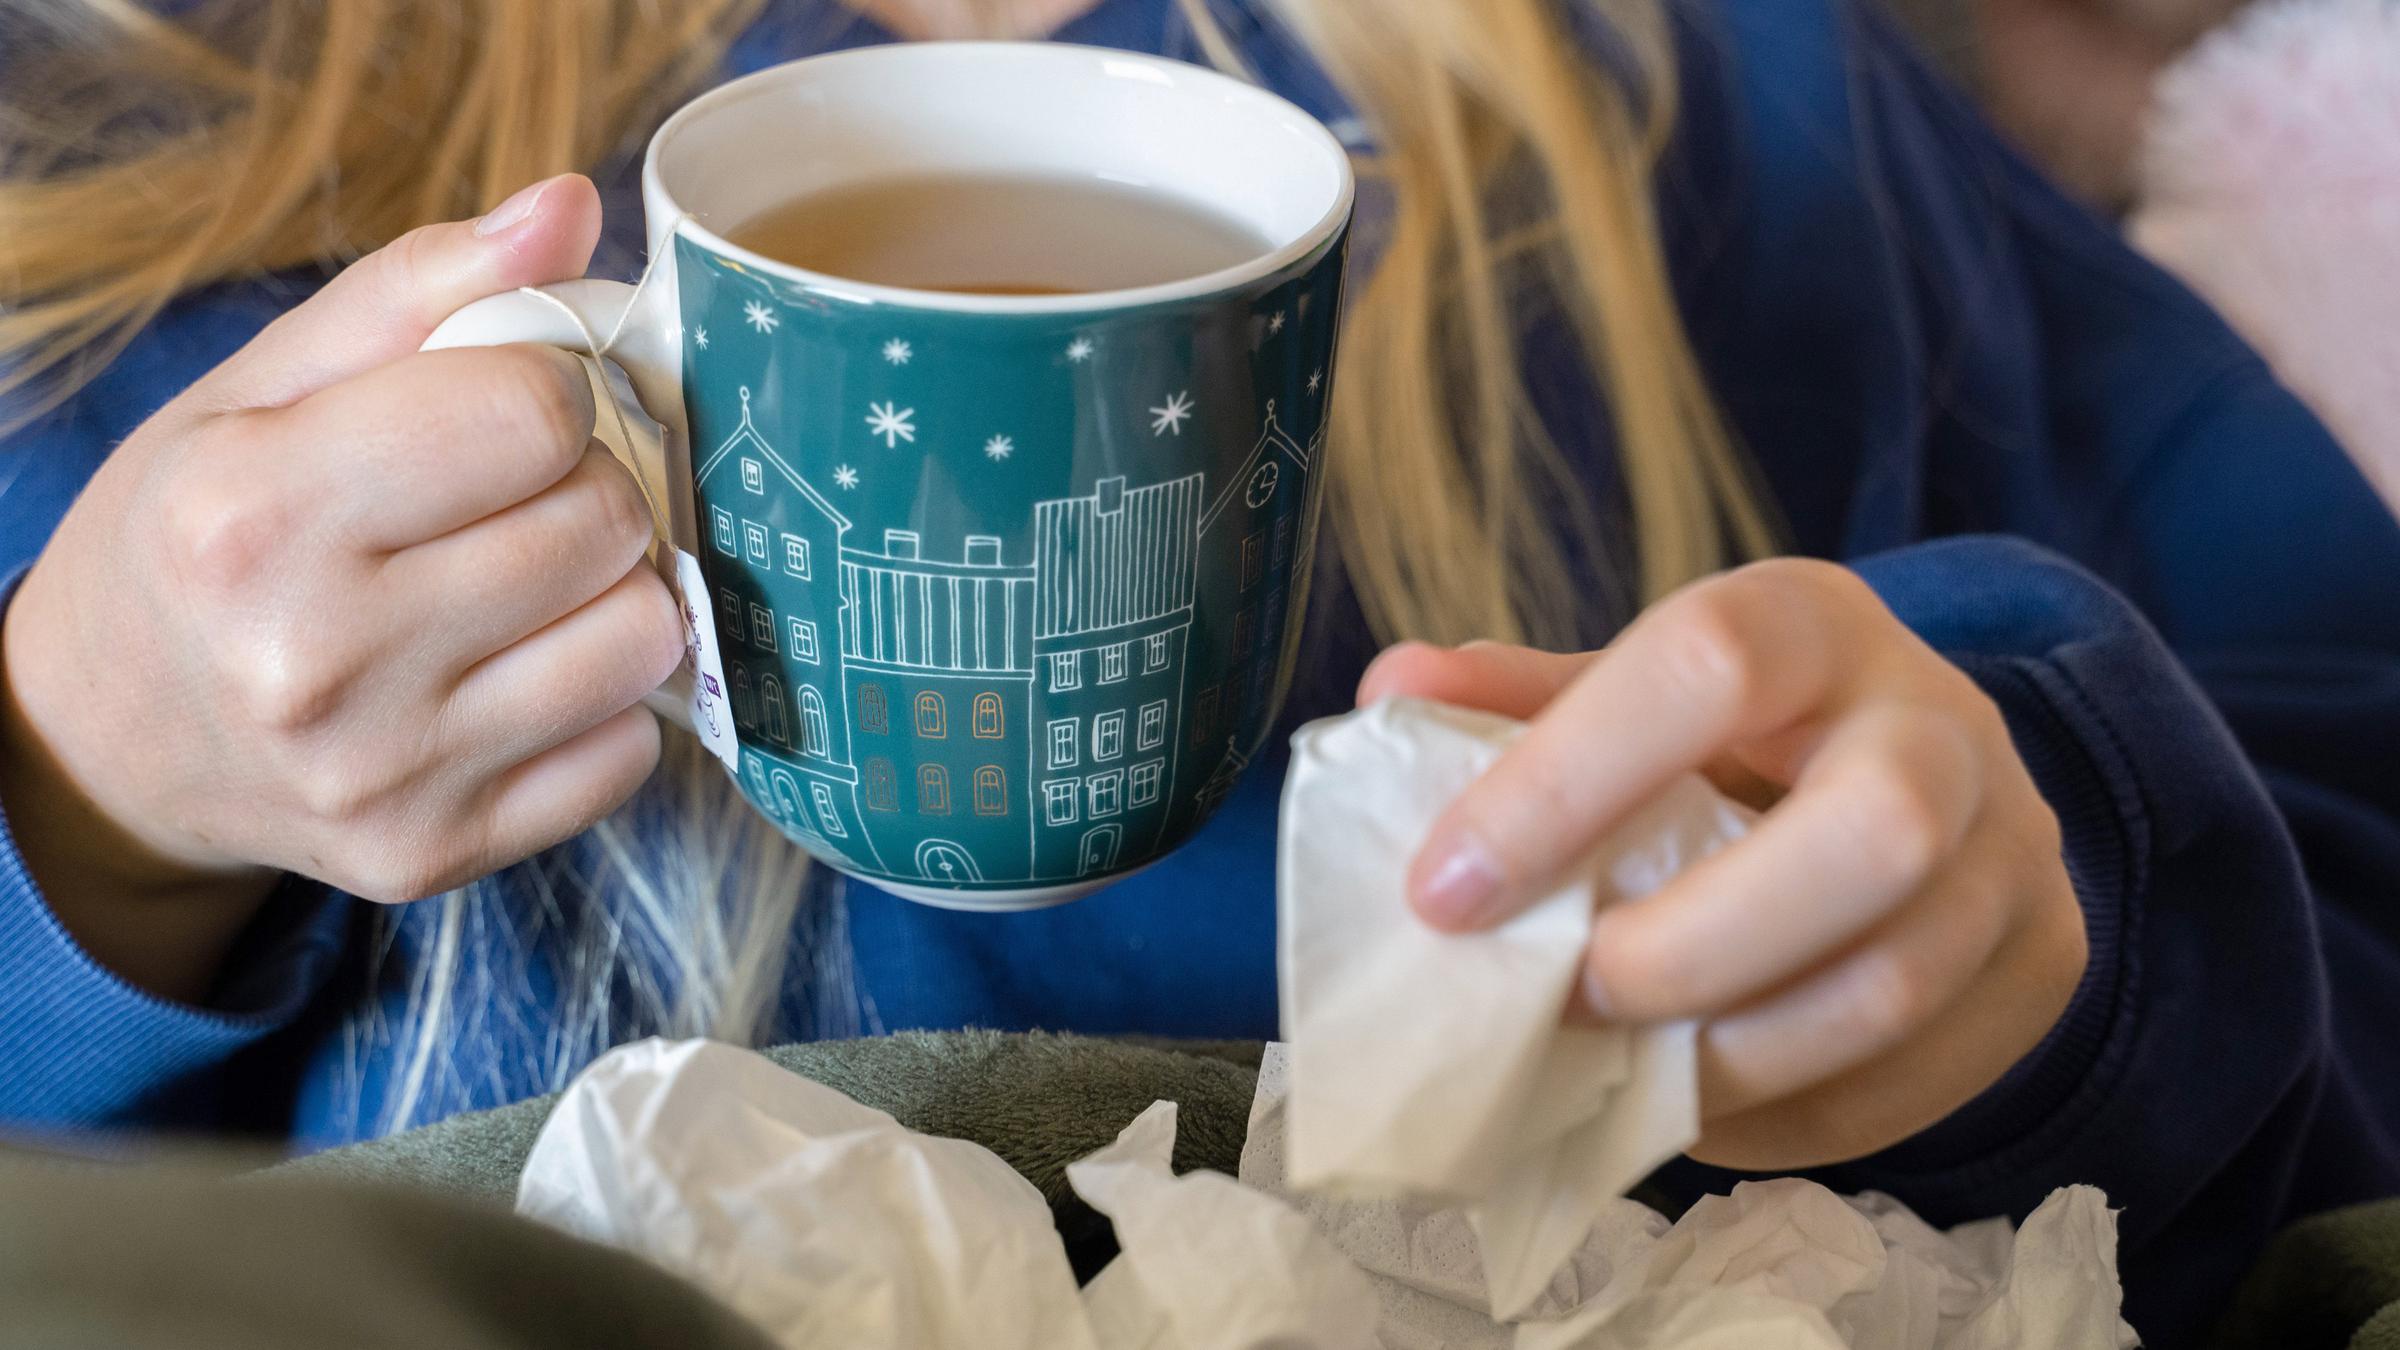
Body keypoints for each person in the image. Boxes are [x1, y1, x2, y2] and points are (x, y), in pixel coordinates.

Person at [0, 0, 2393, 1342]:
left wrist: (2038, 929)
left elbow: (2341, 770)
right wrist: (85, 765)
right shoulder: (147, 155)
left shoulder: (1727, 110)